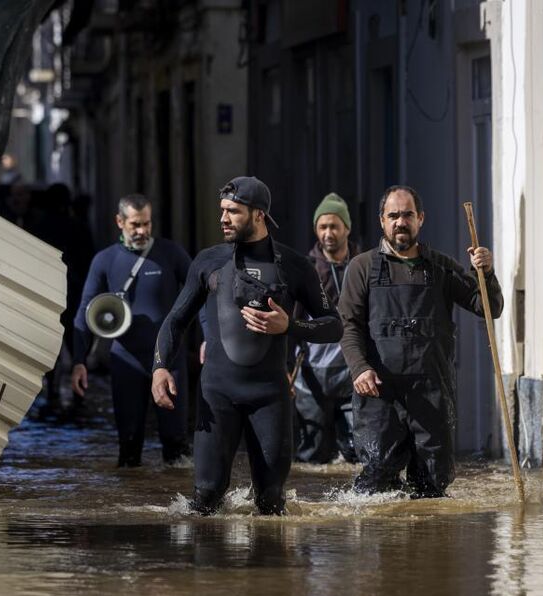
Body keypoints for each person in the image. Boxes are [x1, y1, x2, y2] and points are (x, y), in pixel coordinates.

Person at [151, 176, 343, 515]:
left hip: (269, 396)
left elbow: (333, 326)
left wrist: (291, 326)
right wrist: (160, 367)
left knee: (271, 501)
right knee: (206, 497)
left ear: (259, 215)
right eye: (222, 210)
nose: (223, 219)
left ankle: (268, 568)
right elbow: (175, 320)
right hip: (217, 393)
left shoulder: (296, 266)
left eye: (233, 212)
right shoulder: (209, 261)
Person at [337, 185, 503, 498]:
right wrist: (359, 368)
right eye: (394, 215)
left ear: (420, 219)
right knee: (376, 485)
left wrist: (487, 273)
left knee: (432, 487)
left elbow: (489, 307)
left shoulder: (441, 268)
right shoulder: (362, 268)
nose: (401, 222)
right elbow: (348, 326)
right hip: (379, 394)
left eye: (408, 215)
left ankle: (428, 546)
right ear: (382, 221)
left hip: (431, 395)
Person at [72, 194, 192, 467]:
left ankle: (183, 508)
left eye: (146, 224)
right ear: (119, 221)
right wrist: (79, 361)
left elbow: (202, 294)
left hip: (169, 360)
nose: (142, 231)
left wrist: (209, 338)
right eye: (135, 224)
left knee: (177, 448)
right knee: (128, 447)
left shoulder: (171, 254)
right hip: (126, 361)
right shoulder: (104, 261)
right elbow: (84, 311)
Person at [293, 192, 360, 464]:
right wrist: (286, 371)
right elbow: (291, 322)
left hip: (353, 374)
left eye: (334, 226)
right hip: (312, 377)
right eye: (323, 227)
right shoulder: (305, 270)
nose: (328, 233)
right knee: (312, 457)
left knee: (359, 453)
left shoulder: (364, 265)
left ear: (347, 228)